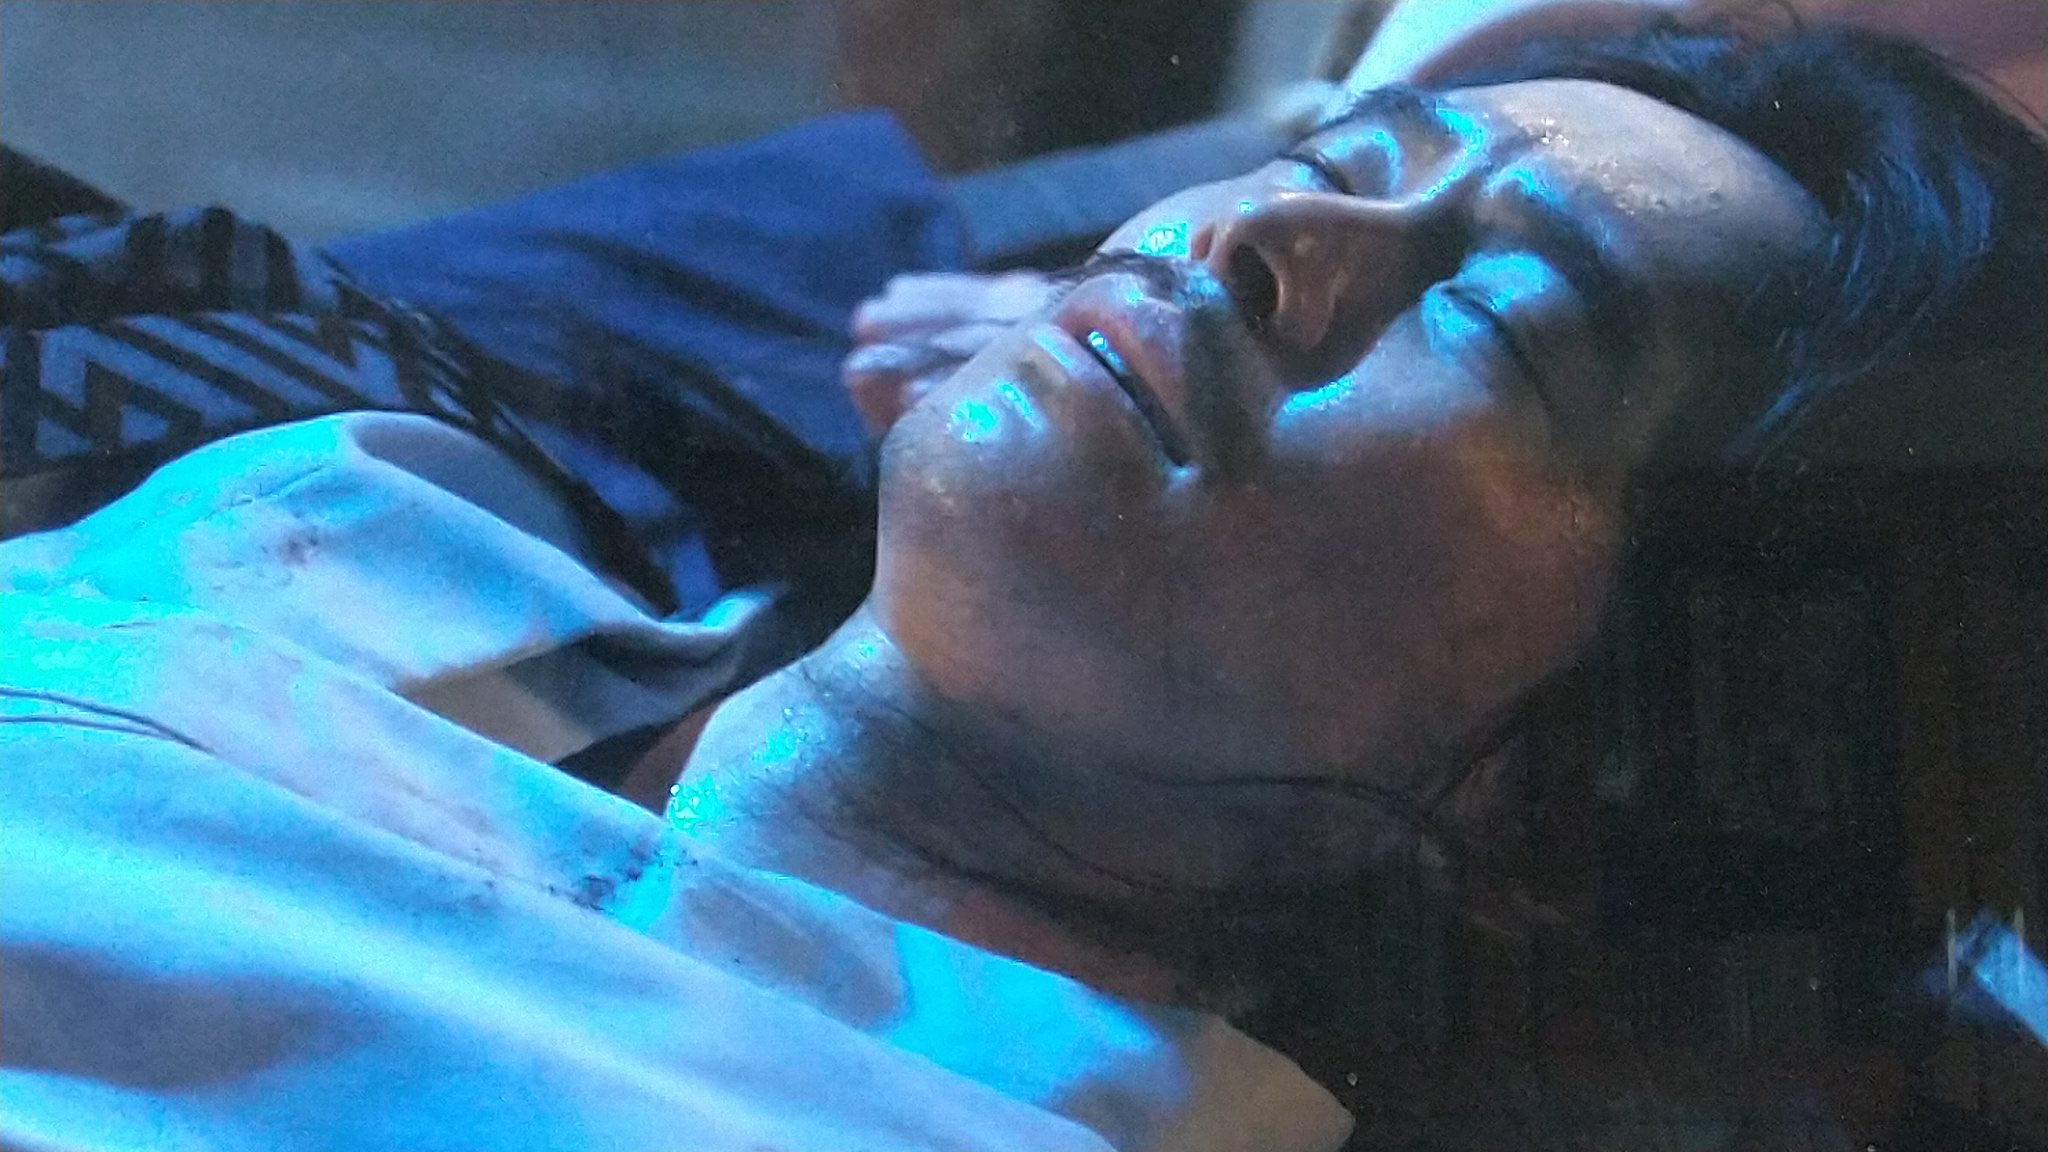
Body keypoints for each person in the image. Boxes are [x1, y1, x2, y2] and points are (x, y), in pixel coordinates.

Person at [2, 9, 2044, 1152]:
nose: (1263, 243)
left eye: (1504, 326)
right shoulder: (369, 482)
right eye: (1335, 168)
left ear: (1568, 796)